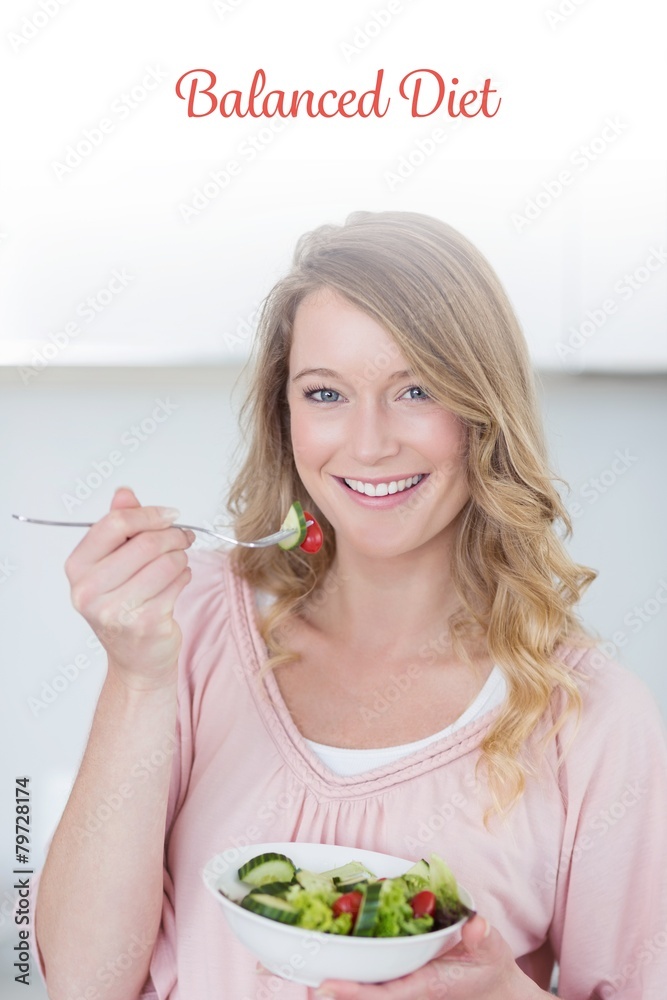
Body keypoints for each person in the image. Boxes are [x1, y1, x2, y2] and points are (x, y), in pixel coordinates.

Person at [31, 211, 667, 999]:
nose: (367, 444)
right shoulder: (184, 626)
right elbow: (81, 985)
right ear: (284, 414)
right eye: (325, 392)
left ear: (483, 413)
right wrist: (137, 678)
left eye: (415, 389)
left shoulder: (593, 721)